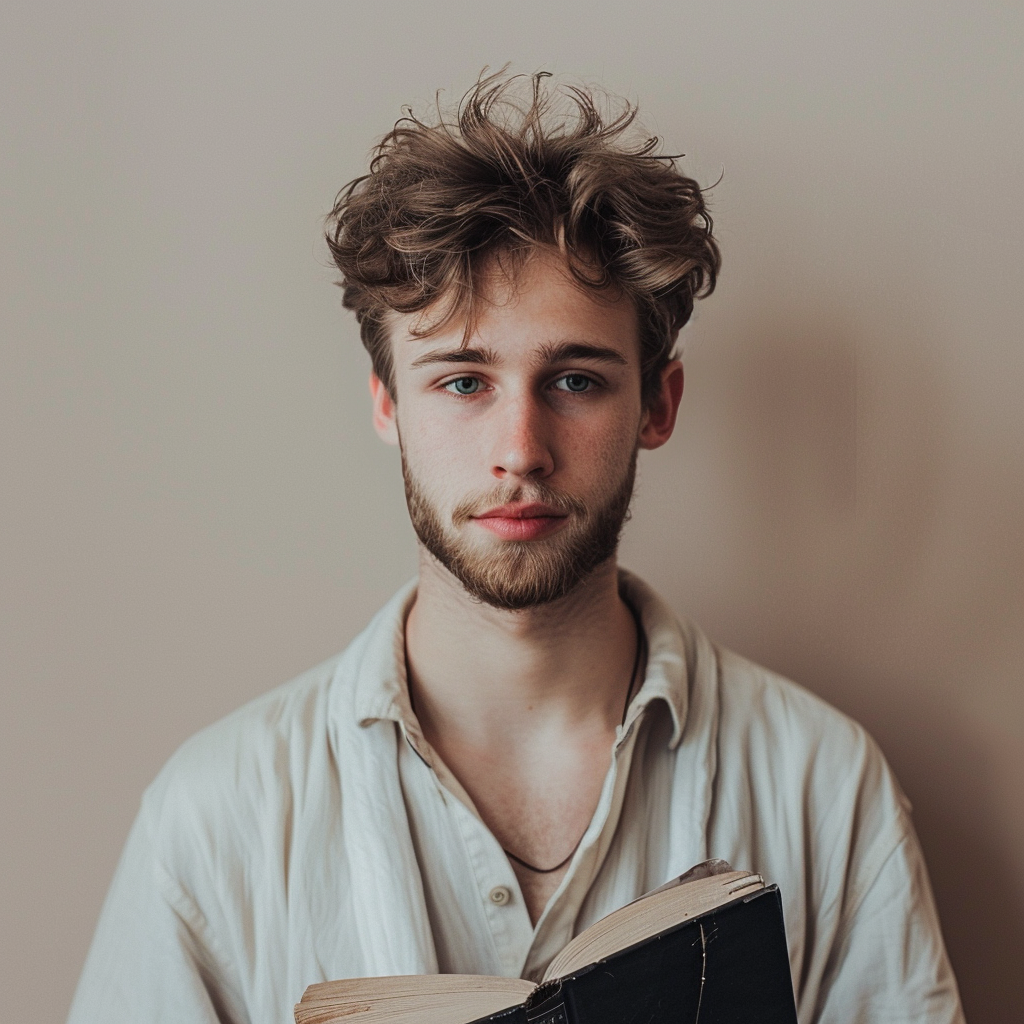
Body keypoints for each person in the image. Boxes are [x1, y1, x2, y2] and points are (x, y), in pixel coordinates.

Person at [68, 72, 964, 1024]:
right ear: (387, 405)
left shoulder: (824, 787)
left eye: (575, 380)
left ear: (658, 404)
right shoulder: (213, 820)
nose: (520, 452)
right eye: (462, 382)